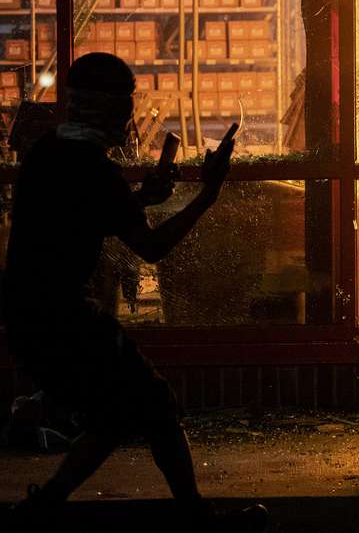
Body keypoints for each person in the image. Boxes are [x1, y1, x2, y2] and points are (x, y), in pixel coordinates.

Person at [2, 53, 266, 532]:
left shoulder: (48, 153)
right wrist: (208, 194)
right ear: (111, 111)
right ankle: (195, 521)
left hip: (29, 313)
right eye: (124, 107)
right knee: (155, 405)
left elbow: (75, 217)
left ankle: (41, 511)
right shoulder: (94, 170)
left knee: (116, 414)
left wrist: (139, 198)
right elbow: (151, 247)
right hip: (64, 318)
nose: (127, 120)